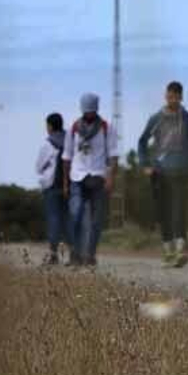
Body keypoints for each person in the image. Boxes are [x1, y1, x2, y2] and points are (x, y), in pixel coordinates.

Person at [138, 80, 188, 268]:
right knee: (164, 212)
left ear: (181, 97)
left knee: (179, 209)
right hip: (160, 171)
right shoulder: (156, 118)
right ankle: (168, 251)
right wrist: (145, 165)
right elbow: (142, 142)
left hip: (183, 171)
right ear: (166, 96)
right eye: (170, 96)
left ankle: (180, 250)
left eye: (176, 97)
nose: (173, 100)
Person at [62, 92, 118, 268]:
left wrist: (110, 177)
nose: (88, 115)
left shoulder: (106, 128)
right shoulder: (74, 128)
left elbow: (113, 156)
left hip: (98, 176)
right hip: (77, 177)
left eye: (91, 112)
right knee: (75, 215)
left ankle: (90, 255)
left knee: (96, 220)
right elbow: (67, 156)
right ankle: (75, 253)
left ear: (96, 110)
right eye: (86, 112)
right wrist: (65, 183)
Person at [34, 112, 68, 266]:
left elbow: (38, 168)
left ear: (50, 126)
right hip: (70, 185)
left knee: (53, 219)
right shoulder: (70, 141)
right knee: (69, 219)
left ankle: (54, 254)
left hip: (52, 186)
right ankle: (75, 253)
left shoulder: (48, 144)